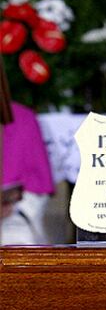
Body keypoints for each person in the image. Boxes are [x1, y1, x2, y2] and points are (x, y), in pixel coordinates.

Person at [1, 101, 55, 245]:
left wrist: (11, 205)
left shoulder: (22, 117)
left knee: (17, 239)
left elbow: (39, 182)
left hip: (14, 213)